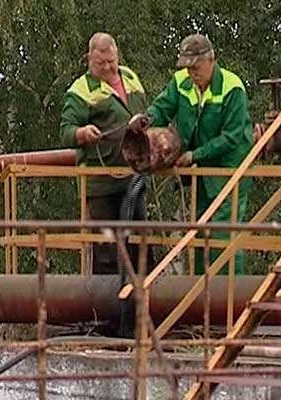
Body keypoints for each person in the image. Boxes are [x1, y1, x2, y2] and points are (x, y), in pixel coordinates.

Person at [131, 34, 253, 274]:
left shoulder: (232, 87)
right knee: (198, 234)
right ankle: (199, 296)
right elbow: (162, 107)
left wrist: (195, 155)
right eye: (187, 68)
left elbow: (233, 136)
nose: (191, 73)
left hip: (228, 172)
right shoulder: (181, 83)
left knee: (222, 235)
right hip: (199, 173)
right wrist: (146, 120)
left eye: (195, 67)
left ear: (212, 61)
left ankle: (229, 298)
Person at [60, 32, 148, 275]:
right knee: (107, 250)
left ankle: (144, 301)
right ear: (90, 59)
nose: (108, 67)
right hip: (101, 185)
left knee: (141, 244)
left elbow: (147, 111)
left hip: (134, 175)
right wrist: (82, 133)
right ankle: (106, 309)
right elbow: (65, 131)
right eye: (101, 63)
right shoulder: (80, 91)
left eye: (112, 61)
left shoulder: (130, 77)